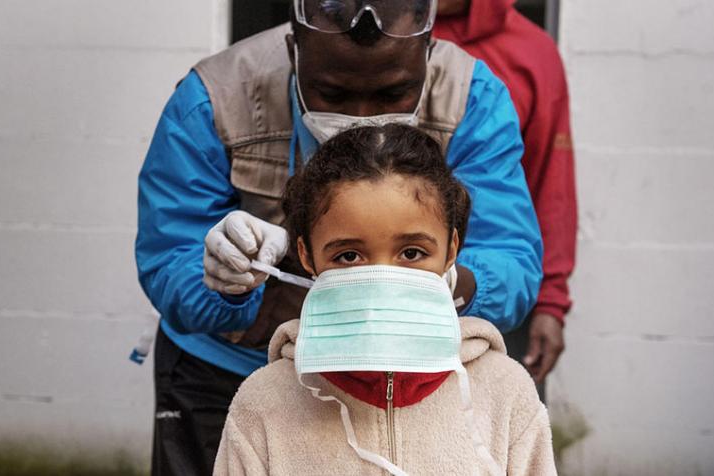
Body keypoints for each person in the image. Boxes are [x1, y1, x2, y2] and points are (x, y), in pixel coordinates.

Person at [135, 1, 542, 474]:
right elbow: (169, 258)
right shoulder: (213, 98)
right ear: (294, 49)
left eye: (394, 93)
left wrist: (445, 285)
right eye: (332, 93)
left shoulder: (473, 97)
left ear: (427, 54)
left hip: (408, 379)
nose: (364, 118)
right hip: (227, 373)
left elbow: (511, 258)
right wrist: (225, 281)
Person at [213, 124, 556, 475]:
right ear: (306, 255)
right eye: (348, 256)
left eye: (411, 252)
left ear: (451, 249)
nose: (382, 281)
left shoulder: (505, 393)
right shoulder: (264, 403)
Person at [434, 0, 578, 389]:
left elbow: (551, 182)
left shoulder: (533, 52)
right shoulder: (375, 35)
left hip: (489, 299)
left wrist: (551, 301)